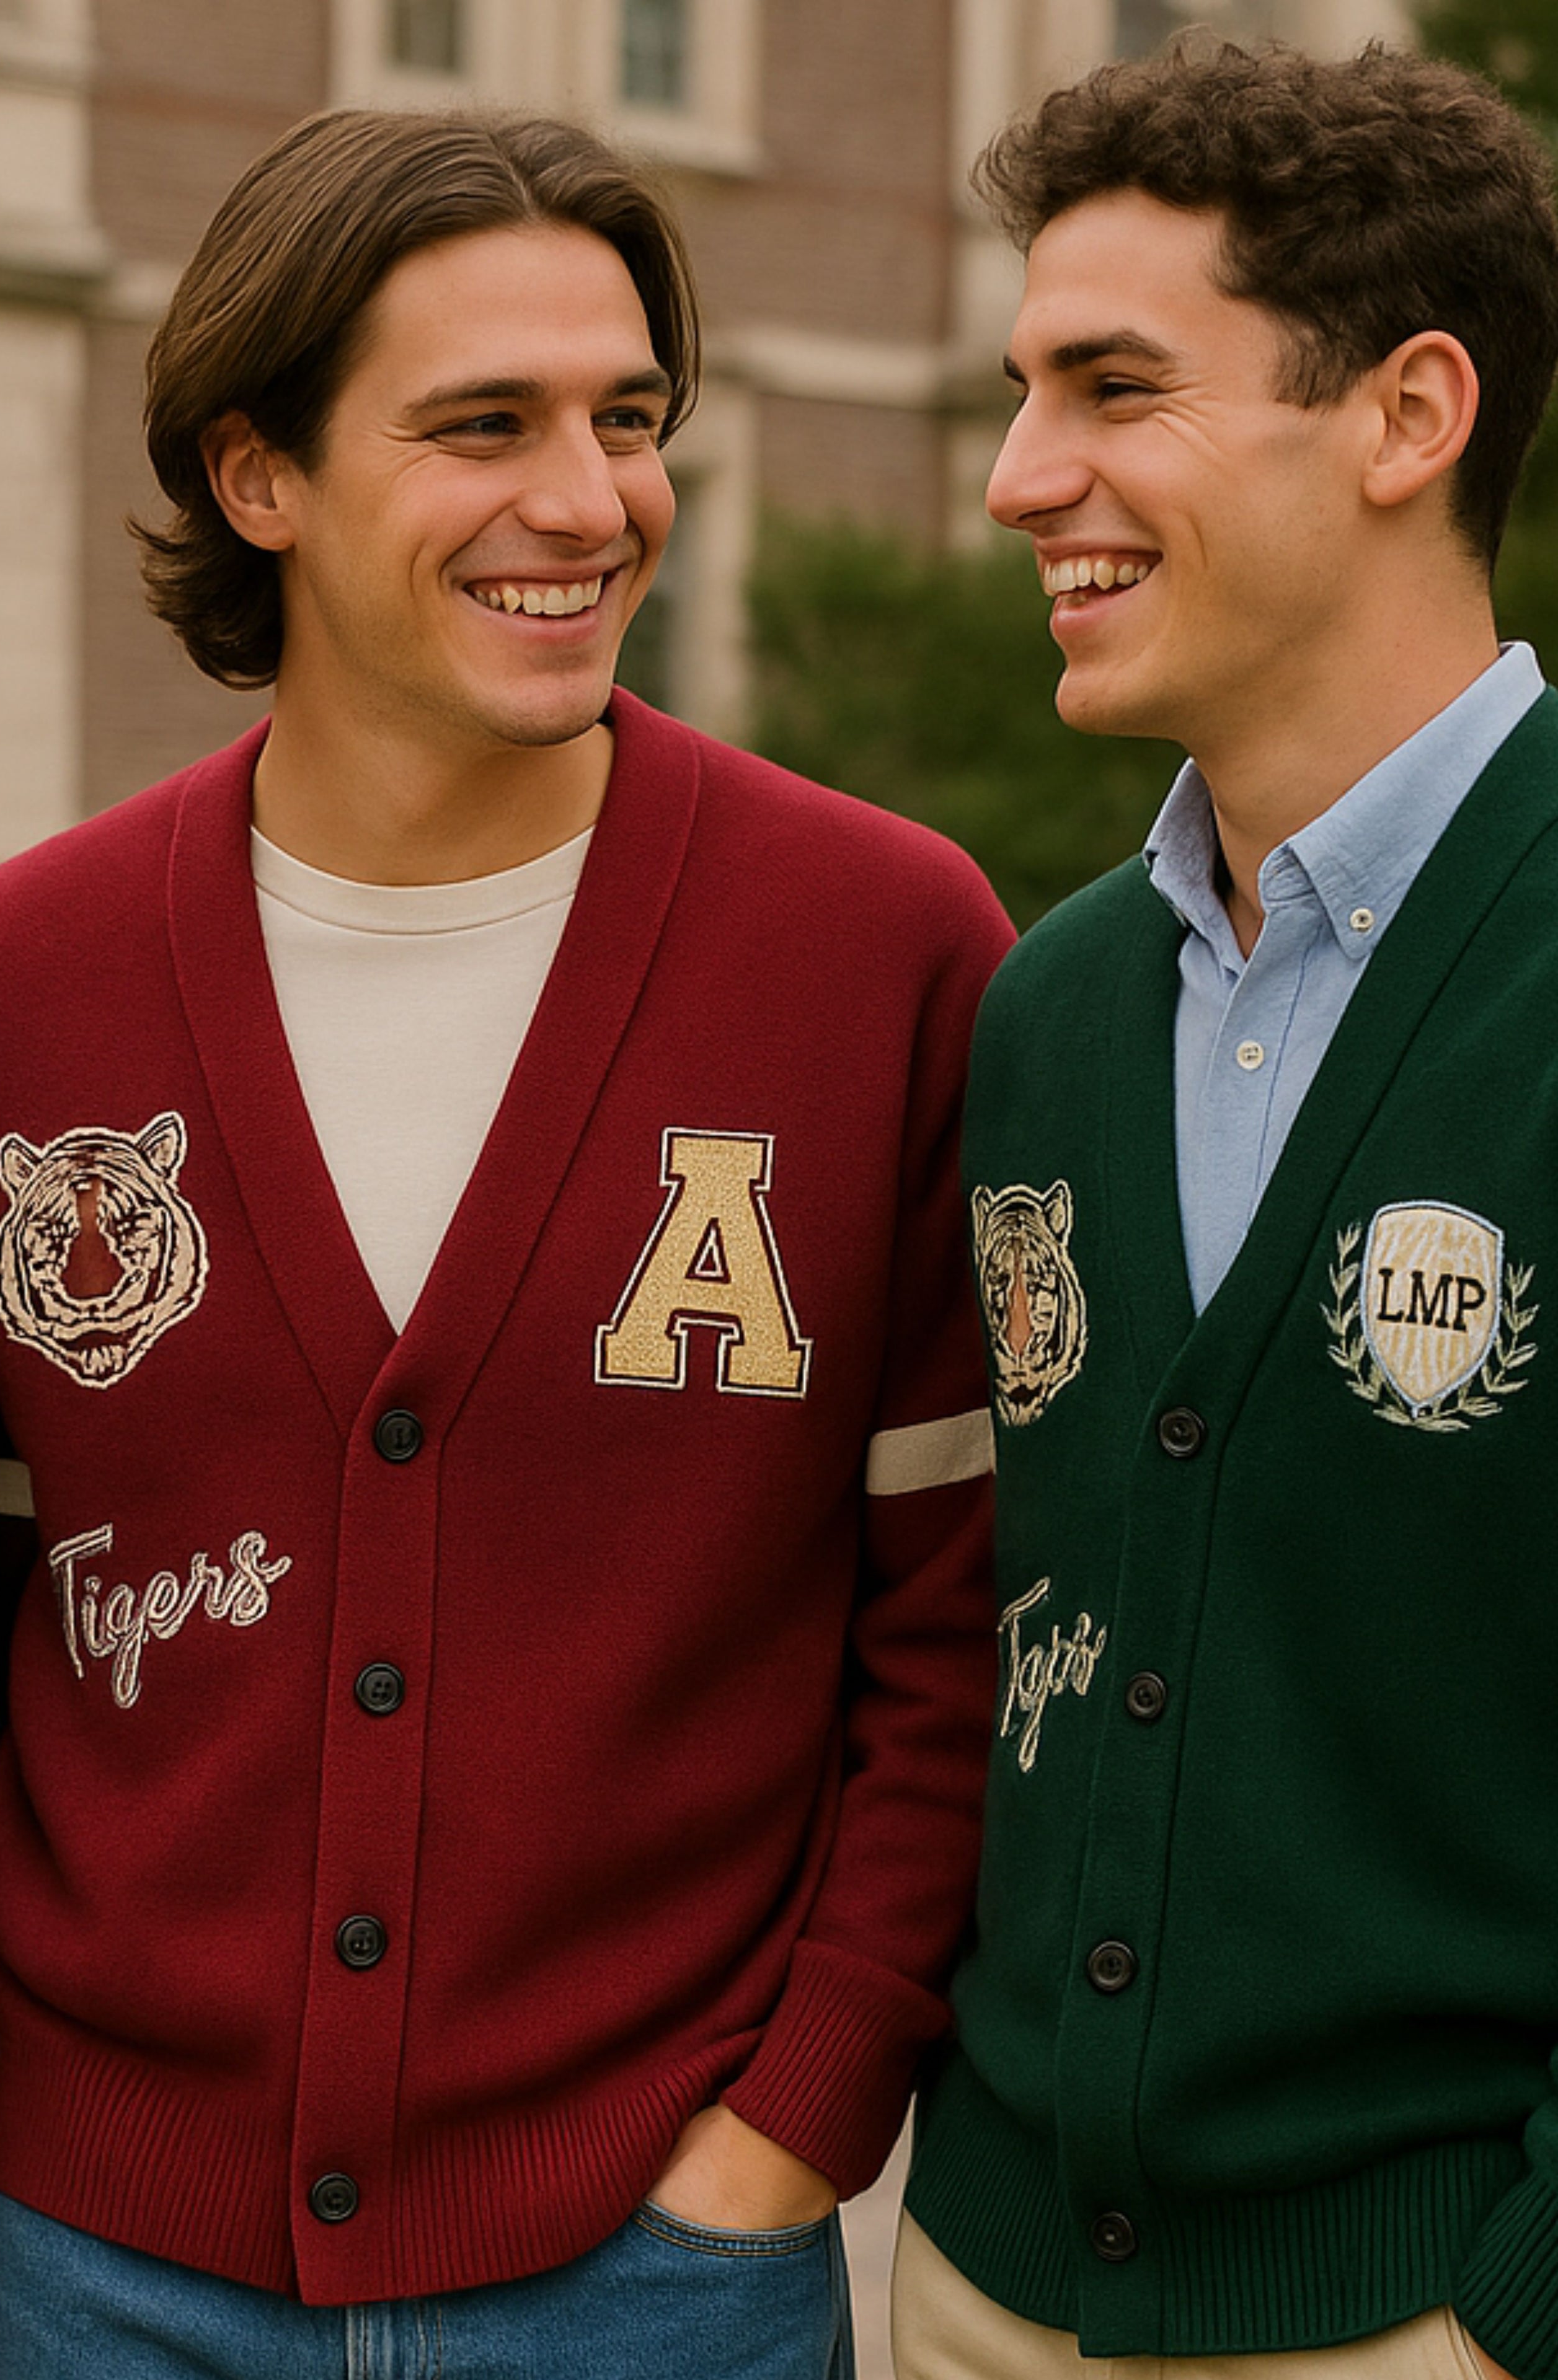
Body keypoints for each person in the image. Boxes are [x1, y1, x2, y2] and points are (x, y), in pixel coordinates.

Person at [0, 108, 1012, 2379]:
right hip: (102, 2275)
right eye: (481, 426)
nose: (589, 503)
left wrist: (797, 2121)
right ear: (258, 475)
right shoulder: (12, 988)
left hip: (666, 2271)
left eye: (627, 422)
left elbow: (967, 1617)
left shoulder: (880, 948)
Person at [894, 40, 1558, 2380]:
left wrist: (1513, 2321)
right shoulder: (1049, 1008)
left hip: (1424, 2322)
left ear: (1407, 416)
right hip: (982, 2288)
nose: (1013, 478)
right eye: (1019, 389)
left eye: (1113, 387)